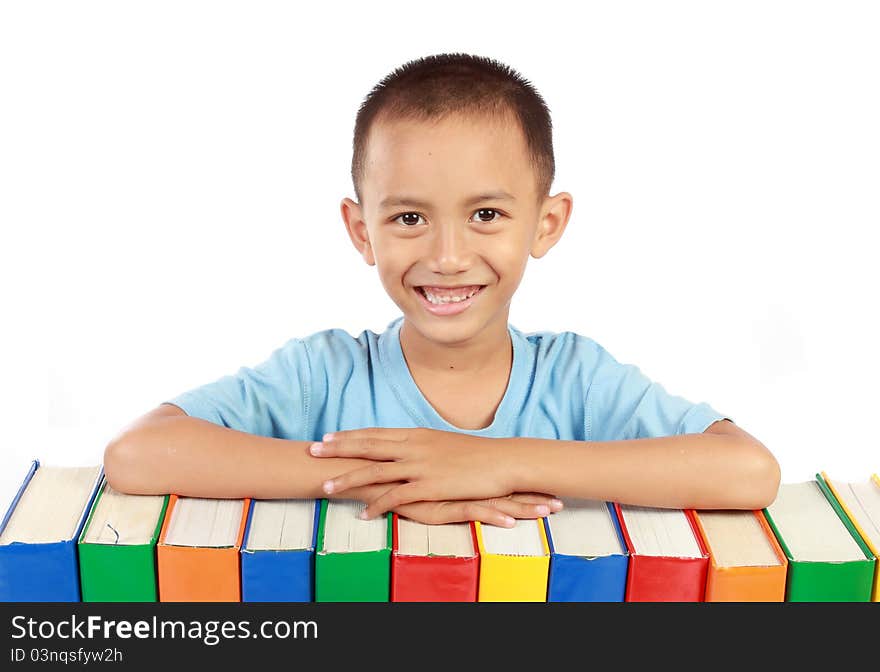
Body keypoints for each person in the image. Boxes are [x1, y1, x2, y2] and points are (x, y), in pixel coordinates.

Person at [103, 53, 780, 527]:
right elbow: (136, 454)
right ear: (361, 230)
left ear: (546, 224)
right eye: (408, 218)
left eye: (486, 215)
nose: (448, 256)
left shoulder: (574, 378)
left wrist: (491, 464)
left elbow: (747, 471)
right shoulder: (327, 373)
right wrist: (393, 477)